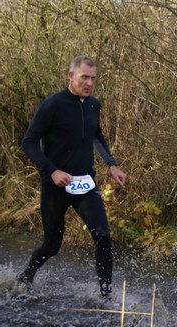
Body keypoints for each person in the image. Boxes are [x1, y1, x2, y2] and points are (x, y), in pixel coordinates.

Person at [17, 55, 127, 299]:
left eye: (93, 78)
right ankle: (25, 278)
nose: (89, 83)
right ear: (71, 76)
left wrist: (112, 165)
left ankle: (106, 296)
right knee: (52, 246)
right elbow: (29, 143)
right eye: (84, 77)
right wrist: (52, 170)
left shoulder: (93, 105)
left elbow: (96, 136)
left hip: (85, 183)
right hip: (55, 187)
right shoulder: (52, 105)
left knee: (102, 236)